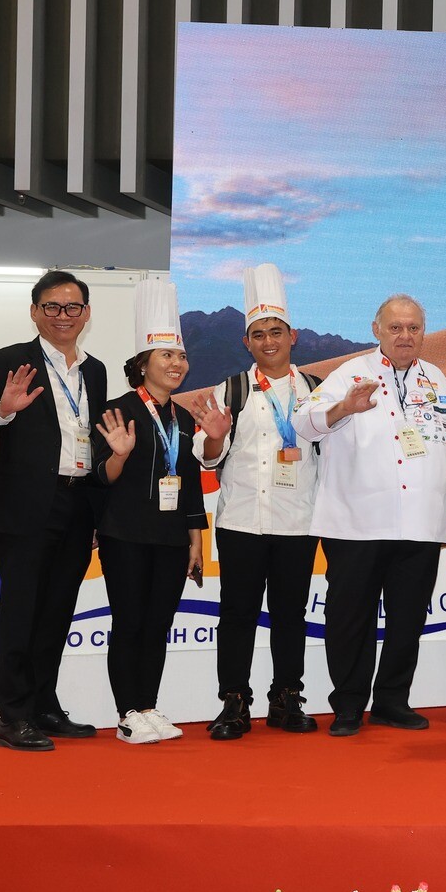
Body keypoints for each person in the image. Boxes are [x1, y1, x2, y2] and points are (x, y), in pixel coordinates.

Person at [0, 269, 114, 751]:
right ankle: (13, 716)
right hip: (26, 506)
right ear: (35, 311)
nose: (62, 315)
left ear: (86, 314)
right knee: (22, 612)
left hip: (79, 503)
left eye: (72, 307)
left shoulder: (95, 370)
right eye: (52, 306)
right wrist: (3, 411)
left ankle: (45, 706)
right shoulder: (8, 361)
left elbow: (95, 441)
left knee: (57, 612)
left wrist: (98, 512)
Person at [294, 294, 446, 736]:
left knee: (408, 619)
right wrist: (344, 408)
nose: (405, 336)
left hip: (421, 522)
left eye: (414, 328)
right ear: (376, 330)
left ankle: (391, 701)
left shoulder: (438, 380)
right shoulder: (349, 374)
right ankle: (349, 705)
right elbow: (304, 422)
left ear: (424, 332)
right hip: (357, 522)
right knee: (351, 619)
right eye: (396, 328)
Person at [193, 263, 323, 740]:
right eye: (259, 334)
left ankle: (286, 697)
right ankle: (234, 701)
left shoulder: (316, 391)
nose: (269, 341)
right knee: (237, 615)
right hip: (242, 521)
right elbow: (209, 458)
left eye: (276, 332)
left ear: (293, 337)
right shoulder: (232, 389)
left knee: (291, 615)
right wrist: (214, 436)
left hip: (298, 521)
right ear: (246, 342)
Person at [91, 276, 221, 744]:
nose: (177, 364)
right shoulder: (116, 411)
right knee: (130, 623)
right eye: (166, 355)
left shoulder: (182, 419)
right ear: (142, 363)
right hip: (124, 534)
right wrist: (120, 454)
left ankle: (148, 705)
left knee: (158, 624)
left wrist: (195, 541)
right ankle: (128, 713)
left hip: (170, 539)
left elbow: (189, 486)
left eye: (181, 356)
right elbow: (100, 478)